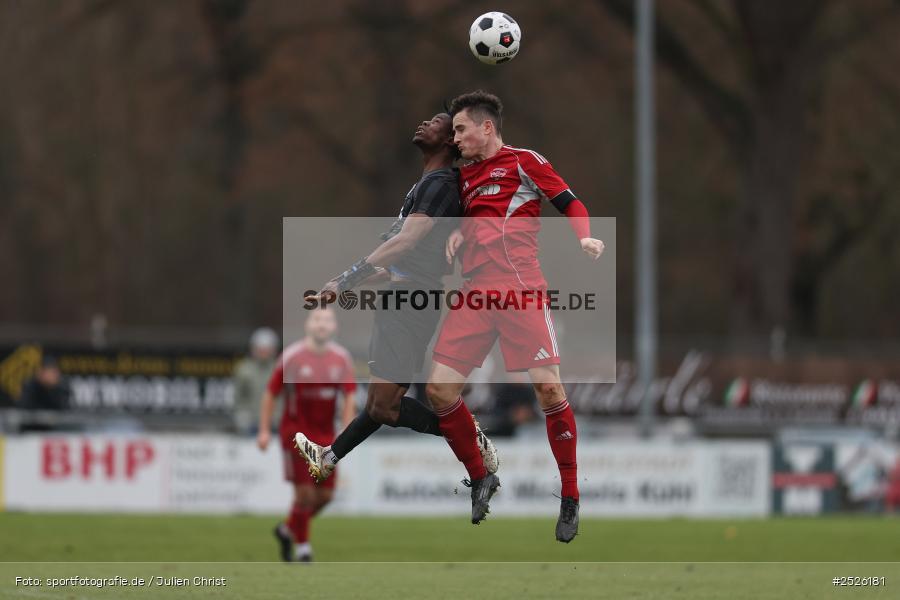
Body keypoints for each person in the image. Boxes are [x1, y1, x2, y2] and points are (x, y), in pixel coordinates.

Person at [424, 90, 605, 542]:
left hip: (521, 291)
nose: (456, 137)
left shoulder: (524, 161)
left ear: (487, 128)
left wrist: (584, 237)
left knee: (549, 390)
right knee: (439, 390)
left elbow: (571, 202)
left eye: (461, 128)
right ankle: (482, 474)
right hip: (475, 297)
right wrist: (458, 237)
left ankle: (569, 495)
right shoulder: (462, 177)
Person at [293, 112, 498, 489]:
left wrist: (346, 279)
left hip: (409, 301)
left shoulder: (440, 183)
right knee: (379, 405)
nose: (424, 123)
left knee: (385, 406)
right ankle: (329, 457)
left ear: (450, 141)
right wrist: (341, 286)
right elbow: (396, 261)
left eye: (437, 122)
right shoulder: (425, 185)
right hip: (404, 294)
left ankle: (471, 437)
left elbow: (404, 243)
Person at [256, 308, 356, 562]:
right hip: (295, 434)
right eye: (317, 319)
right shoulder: (292, 357)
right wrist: (265, 430)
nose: (322, 325)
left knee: (325, 496)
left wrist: (346, 428)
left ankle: (287, 529)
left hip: (326, 437)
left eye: (327, 320)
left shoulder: (341, 359)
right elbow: (271, 393)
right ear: (307, 325)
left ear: (334, 327)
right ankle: (303, 549)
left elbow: (349, 396)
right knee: (305, 495)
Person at [233, 327, 279, 434]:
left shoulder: (281, 369)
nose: (263, 352)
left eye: (267, 348)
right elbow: (238, 397)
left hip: (276, 424)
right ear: (253, 349)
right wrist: (242, 416)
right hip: (252, 424)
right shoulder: (243, 370)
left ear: (274, 349)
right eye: (260, 348)